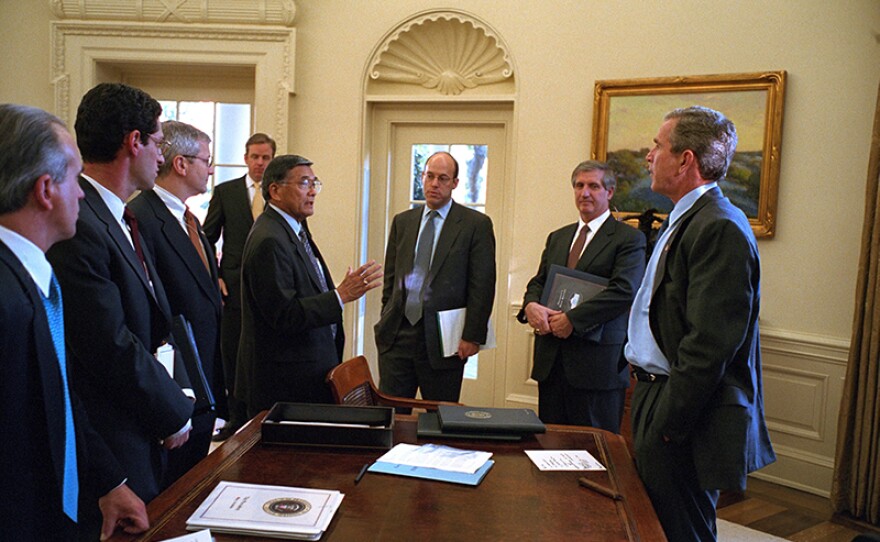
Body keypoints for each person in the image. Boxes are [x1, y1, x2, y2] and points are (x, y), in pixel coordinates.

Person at [624, 106, 775, 541]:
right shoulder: (687, 218)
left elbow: (708, 346)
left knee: (681, 529)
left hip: (680, 406)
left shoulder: (719, 227)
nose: (649, 156)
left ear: (686, 159)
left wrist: (669, 423)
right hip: (653, 392)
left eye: (657, 146)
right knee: (657, 523)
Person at [0, 103, 149, 540]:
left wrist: (107, 481)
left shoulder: (34, 277)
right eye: (75, 178)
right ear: (46, 190)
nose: (82, 193)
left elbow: (58, 396)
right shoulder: (7, 297)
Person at [46, 83, 194, 512]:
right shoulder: (83, 223)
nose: (162, 156)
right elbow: (106, 342)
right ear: (134, 143)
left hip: (139, 426)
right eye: (158, 142)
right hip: (111, 443)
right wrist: (172, 410)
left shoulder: (119, 215)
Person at [237, 154, 382, 416]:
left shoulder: (294, 228)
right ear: (275, 190)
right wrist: (339, 295)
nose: (313, 191)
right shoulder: (270, 239)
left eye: (315, 183)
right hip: (285, 384)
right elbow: (284, 315)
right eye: (304, 183)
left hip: (307, 375)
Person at [128, 120, 228, 487]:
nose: (212, 169)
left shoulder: (190, 218)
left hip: (203, 380)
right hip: (175, 386)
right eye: (206, 159)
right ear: (182, 164)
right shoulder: (142, 217)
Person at [518, 160, 645, 431]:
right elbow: (539, 282)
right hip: (552, 365)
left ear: (609, 192)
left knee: (594, 454)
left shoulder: (628, 239)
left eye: (593, 186)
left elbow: (624, 290)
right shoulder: (558, 237)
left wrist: (572, 320)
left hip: (597, 368)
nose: (584, 193)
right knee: (550, 449)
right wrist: (530, 305)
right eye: (579, 185)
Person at [375, 151, 496, 405]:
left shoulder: (475, 224)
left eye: (442, 178)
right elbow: (391, 278)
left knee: (440, 419)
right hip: (397, 337)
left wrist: (472, 335)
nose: (434, 184)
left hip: (445, 340)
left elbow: (482, 285)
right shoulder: (403, 222)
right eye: (429, 176)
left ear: (454, 183)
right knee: (392, 416)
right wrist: (386, 315)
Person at [203, 132, 274, 440]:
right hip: (232, 288)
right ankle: (233, 419)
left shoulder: (278, 193)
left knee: (263, 353)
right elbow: (207, 237)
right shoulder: (226, 191)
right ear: (246, 158)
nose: (260, 163)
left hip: (269, 286)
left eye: (266, 158)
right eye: (255, 157)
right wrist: (214, 275)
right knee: (232, 353)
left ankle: (262, 416)